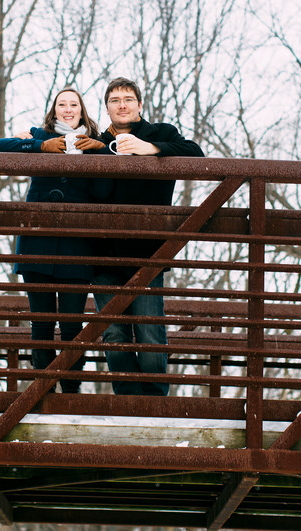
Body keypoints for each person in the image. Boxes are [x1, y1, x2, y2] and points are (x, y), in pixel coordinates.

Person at [0, 87, 107, 393]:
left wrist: (99, 150)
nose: (68, 109)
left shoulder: (97, 143)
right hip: (37, 242)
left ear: (82, 110)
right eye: (62, 104)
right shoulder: (38, 137)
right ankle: (42, 392)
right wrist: (40, 147)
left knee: (71, 325)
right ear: (54, 110)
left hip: (78, 244)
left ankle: (71, 391)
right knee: (40, 322)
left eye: (74, 104)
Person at [93, 77, 204, 396]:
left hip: (148, 252)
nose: (122, 104)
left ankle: (155, 403)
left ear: (139, 105)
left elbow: (196, 155)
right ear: (108, 108)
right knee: (113, 334)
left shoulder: (161, 133)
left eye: (128, 98)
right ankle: (128, 401)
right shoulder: (98, 144)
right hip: (101, 253)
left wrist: (148, 149)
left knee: (149, 331)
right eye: (115, 100)